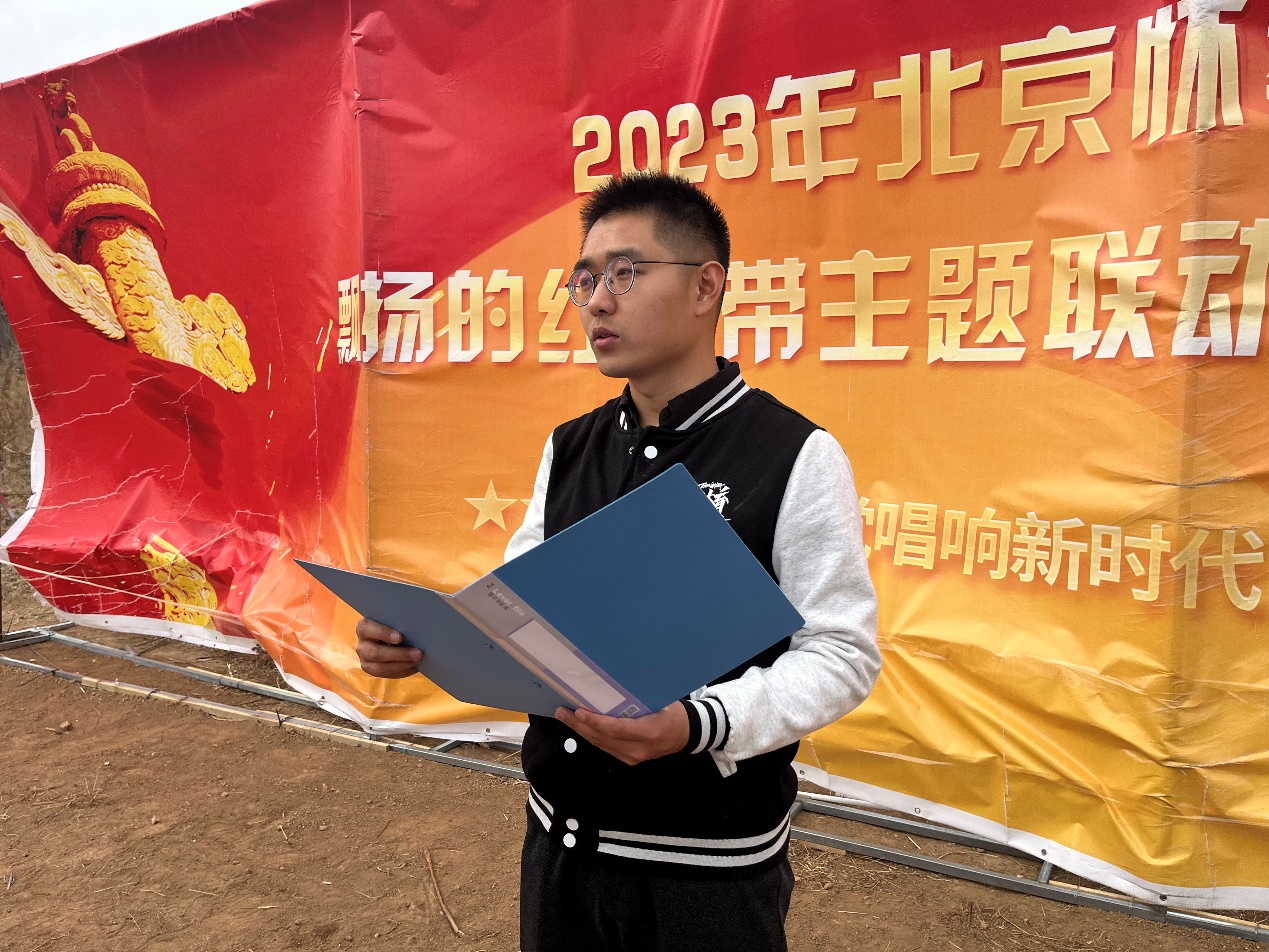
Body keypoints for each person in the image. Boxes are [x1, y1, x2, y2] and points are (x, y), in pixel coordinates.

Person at [355, 171, 880, 951]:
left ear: (705, 286)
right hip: (559, 845)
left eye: (624, 273)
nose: (597, 301)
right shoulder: (571, 446)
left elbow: (840, 654)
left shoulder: (792, 454)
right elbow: (521, 611)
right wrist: (428, 639)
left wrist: (696, 725)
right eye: (584, 279)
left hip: (705, 870)